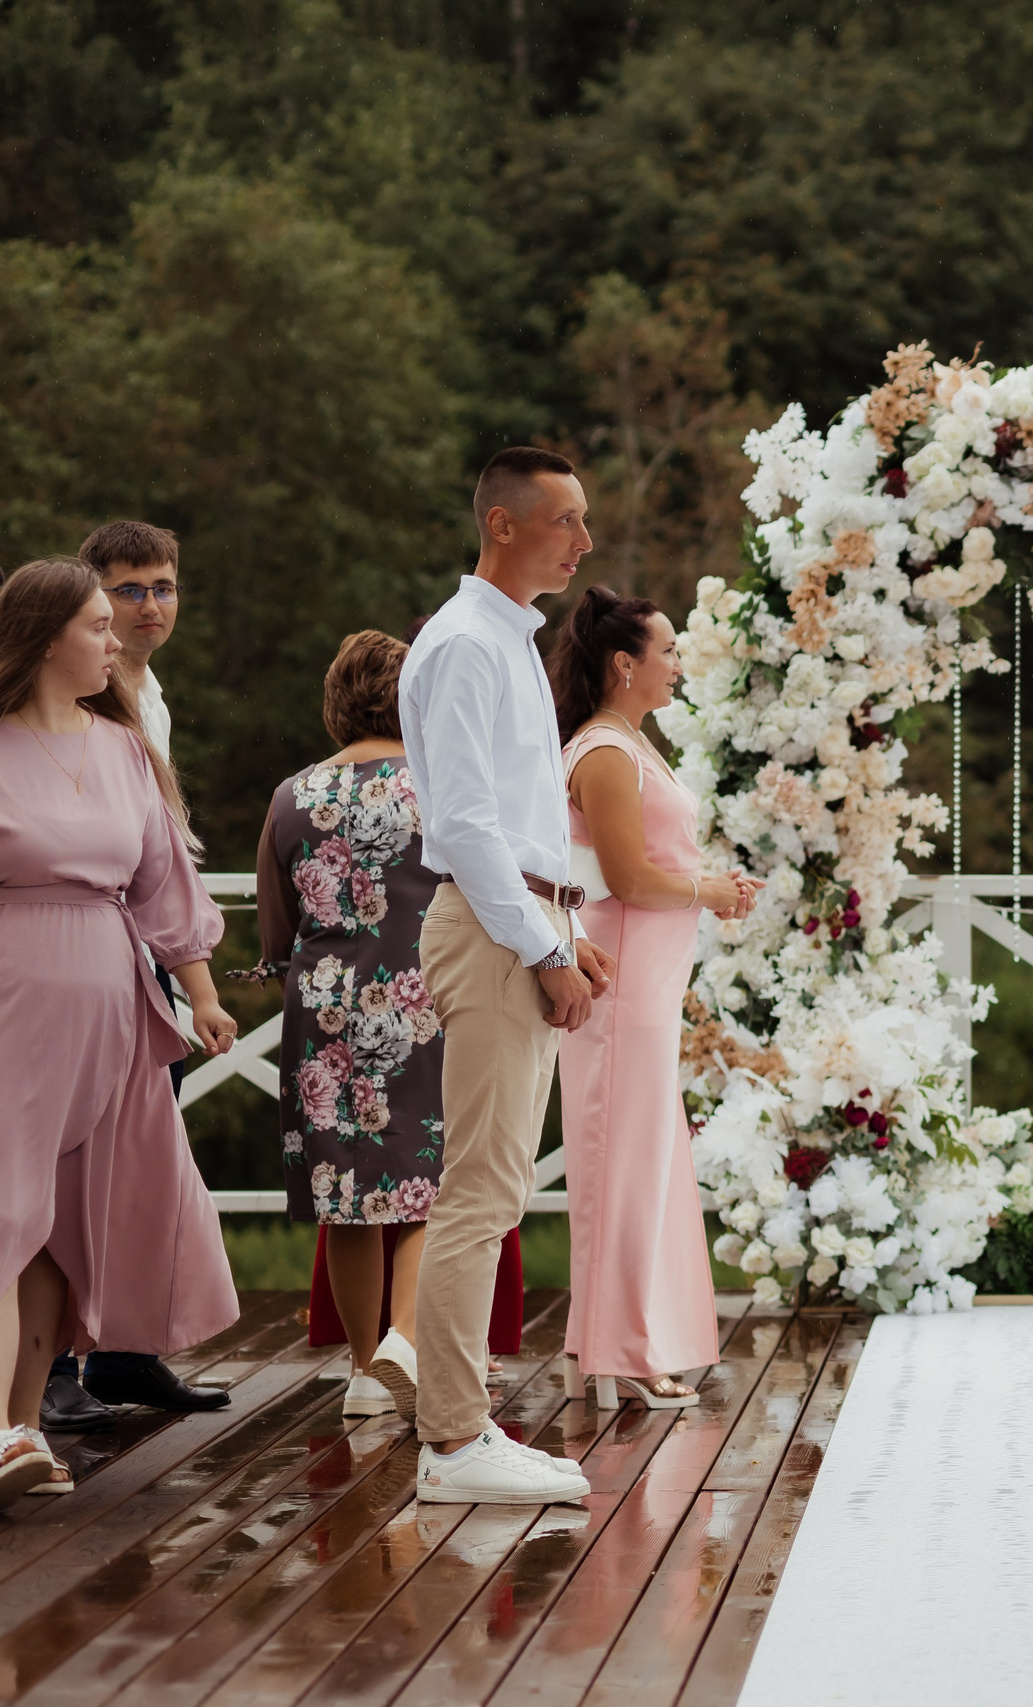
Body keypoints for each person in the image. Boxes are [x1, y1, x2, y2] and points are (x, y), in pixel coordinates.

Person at [399, 447, 616, 1506]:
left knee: (498, 1186)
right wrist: (541, 947)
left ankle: (461, 1428)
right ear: (502, 523)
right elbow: (467, 824)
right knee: (481, 1190)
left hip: (520, 918)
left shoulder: (504, 639)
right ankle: (451, 1441)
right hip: (492, 929)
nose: (584, 540)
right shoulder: (466, 645)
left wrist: (564, 936)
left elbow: (514, 822)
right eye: (567, 520)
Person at [0, 558, 239, 1503]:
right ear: (45, 635)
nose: (117, 638)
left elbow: (163, 887)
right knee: (5, 1211)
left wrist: (205, 994)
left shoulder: (127, 749)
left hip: (111, 1000)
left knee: (62, 1225)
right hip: (13, 998)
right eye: (99, 623)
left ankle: (21, 1431)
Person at [250, 631, 523, 1422]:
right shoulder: (440, 789)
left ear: (336, 699)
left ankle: (367, 1368)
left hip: (325, 1005)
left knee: (347, 1194)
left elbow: (276, 931)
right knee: (428, 1185)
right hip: (427, 993)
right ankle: (409, 1338)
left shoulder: (290, 795)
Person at [551, 587, 759, 1409]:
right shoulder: (605, 751)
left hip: (649, 983)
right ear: (624, 663)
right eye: (667, 651)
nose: (678, 664)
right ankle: (624, 1352)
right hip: (623, 980)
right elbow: (630, 875)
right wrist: (706, 889)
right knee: (620, 1163)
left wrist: (708, 888)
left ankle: (598, 1344)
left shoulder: (632, 742)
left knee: (637, 1160)